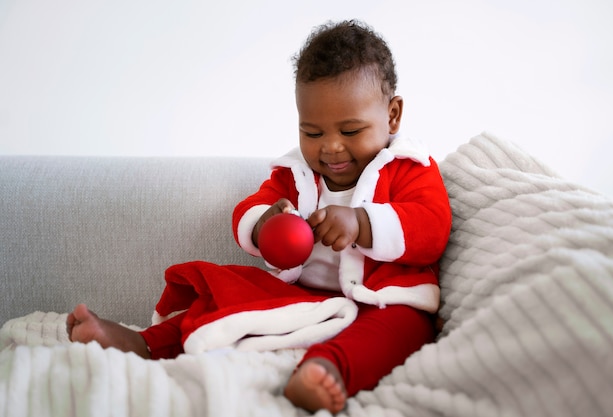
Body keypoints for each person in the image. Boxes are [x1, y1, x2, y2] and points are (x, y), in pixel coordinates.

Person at [67, 20, 451, 414]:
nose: (332, 147)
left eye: (351, 130)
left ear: (392, 115)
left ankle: (326, 369)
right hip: (300, 294)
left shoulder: (409, 168)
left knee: (401, 330)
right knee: (229, 296)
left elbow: (432, 226)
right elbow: (249, 210)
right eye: (313, 133)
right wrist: (266, 223)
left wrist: (361, 223)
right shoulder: (295, 174)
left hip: (383, 300)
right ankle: (145, 343)